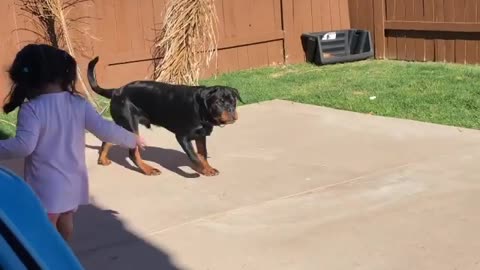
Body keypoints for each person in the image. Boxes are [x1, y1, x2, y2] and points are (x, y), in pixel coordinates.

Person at [0, 44, 145, 242]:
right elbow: (104, 129)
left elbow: (24, 145)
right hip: (72, 182)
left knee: (46, 229)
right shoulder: (79, 104)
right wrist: (132, 139)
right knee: (66, 220)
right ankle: (65, 253)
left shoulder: (32, 109)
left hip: (46, 185)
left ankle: (51, 258)